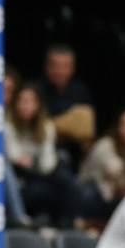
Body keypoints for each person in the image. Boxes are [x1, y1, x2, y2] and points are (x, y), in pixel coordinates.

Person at [4, 82, 80, 228]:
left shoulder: (46, 127)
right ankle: (22, 220)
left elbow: (47, 163)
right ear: (15, 103)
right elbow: (15, 157)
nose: (25, 106)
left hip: (39, 172)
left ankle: (68, 225)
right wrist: (30, 163)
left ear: (38, 105)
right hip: (17, 174)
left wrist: (35, 164)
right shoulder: (7, 125)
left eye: (30, 101)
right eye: (22, 101)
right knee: (41, 190)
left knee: (66, 181)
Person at [77, 108, 125, 224]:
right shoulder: (105, 145)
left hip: (116, 198)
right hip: (96, 193)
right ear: (118, 127)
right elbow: (120, 182)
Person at [32, 43, 95, 171]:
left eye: (64, 66)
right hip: (39, 150)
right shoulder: (35, 90)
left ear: (72, 69)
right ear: (46, 67)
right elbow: (34, 128)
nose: (59, 71)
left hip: (73, 153)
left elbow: (86, 131)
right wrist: (67, 128)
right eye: (55, 66)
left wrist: (54, 126)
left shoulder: (80, 91)